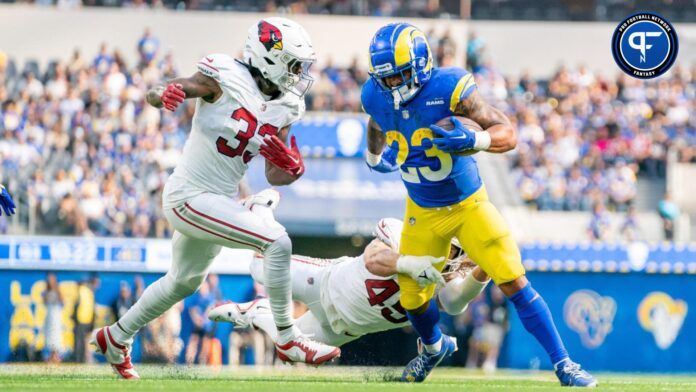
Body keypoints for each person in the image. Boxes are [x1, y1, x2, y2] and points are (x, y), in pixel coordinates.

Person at [90, 17, 339, 380]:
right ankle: (288, 339)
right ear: (268, 58)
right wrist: (163, 94)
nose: (300, 73)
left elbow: (274, 174)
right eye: (294, 64)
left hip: (216, 202)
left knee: (183, 281)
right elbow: (162, 89)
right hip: (188, 195)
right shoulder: (224, 74)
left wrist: (294, 168)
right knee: (277, 241)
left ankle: (115, 336)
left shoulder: (287, 105)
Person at [361, 23, 596, 386]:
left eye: (399, 77)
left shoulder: (448, 87)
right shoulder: (375, 94)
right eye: (385, 79)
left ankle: (564, 364)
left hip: (468, 204)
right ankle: (432, 347)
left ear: (421, 65)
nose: (392, 86)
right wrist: (374, 155)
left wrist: (478, 139)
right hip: (421, 211)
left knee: (514, 281)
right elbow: (376, 119)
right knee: (412, 299)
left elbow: (508, 132)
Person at [209, 190, 490, 349]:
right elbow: (373, 259)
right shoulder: (404, 234)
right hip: (325, 284)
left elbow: (457, 300)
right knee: (260, 266)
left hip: (344, 330)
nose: (460, 259)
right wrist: (408, 264)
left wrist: (489, 267)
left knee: (289, 346)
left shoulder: (448, 284)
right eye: (458, 249)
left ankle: (255, 313)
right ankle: (262, 210)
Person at [43, 273, 64, 363]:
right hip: (49, 315)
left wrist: (56, 289)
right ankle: (52, 356)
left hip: (56, 315)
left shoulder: (57, 291)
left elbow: (62, 301)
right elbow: (44, 300)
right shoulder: (46, 292)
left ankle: (56, 356)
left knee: (55, 335)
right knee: (49, 335)